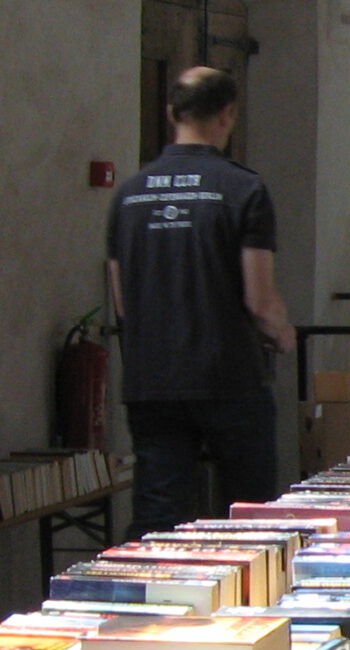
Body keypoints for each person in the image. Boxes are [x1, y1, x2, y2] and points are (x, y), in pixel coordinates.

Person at [105, 66, 296, 534]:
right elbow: (259, 299)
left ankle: (153, 581)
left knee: (158, 514)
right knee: (248, 513)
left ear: (172, 113)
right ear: (227, 115)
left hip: (152, 377)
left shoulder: (128, 195)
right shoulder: (243, 189)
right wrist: (281, 330)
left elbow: (123, 301)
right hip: (227, 374)